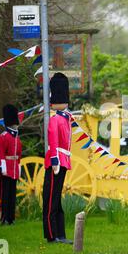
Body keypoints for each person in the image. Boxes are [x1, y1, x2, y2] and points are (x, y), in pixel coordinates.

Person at [43, 72, 74, 244]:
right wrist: (54, 161)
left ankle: (60, 234)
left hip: (63, 160)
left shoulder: (66, 119)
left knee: (56, 199)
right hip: (56, 161)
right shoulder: (55, 120)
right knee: (51, 200)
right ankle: (51, 234)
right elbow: (53, 142)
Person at [0, 104, 22, 225]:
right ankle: (3, 218)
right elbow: (1, 155)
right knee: (4, 195)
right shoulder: (3, 137)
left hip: (14, 168)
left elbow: (19, 155)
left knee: (12, 195)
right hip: (6, 170)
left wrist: (18, 168)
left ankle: (11, 218)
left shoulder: (17, 138)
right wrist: (4, 169)